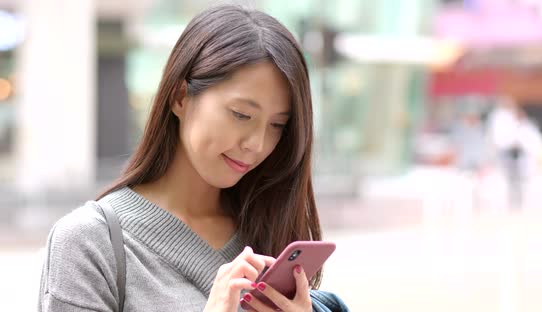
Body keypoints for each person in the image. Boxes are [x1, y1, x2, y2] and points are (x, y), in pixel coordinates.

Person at [38, 5, 346, 312]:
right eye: (241, 114)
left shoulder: (271, 229)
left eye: (278, 125)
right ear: (180, 97)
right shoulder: (90, 243)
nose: (257, 144)